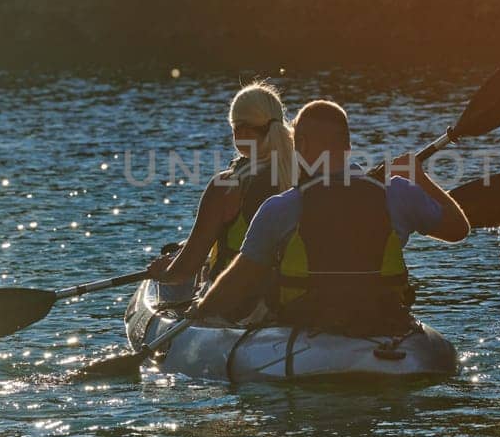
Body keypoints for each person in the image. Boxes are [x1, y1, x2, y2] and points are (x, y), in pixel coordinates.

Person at [190, 99, 469, 334]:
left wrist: (199, 311)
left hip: (305, 329)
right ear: (347, 145)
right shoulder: (398, 193)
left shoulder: (282, 207)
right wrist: (421, 178)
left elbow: (239, 281)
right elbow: (459, 229)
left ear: (302, 145)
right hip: (382, 324)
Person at [146, 81, 296, 287]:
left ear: (240, 132)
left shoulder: (225, 186)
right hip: (289, 298)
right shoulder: (307, 174)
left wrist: (162, 273)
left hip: (234, 303)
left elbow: (185, 270)